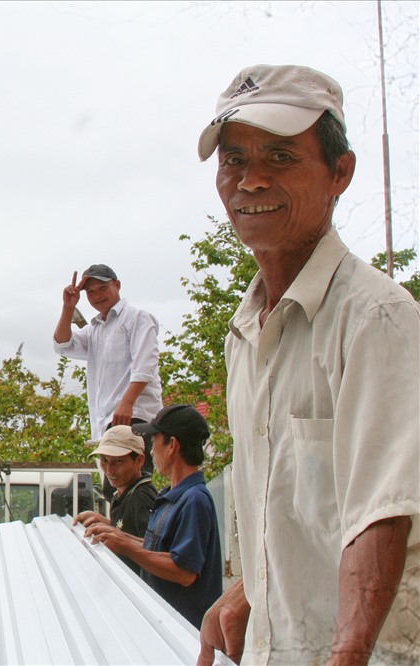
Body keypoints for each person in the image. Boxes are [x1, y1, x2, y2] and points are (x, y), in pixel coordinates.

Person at [195, 64, 419, 666]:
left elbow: (382, 511)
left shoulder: (376, 318)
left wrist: (347, 653)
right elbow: (294, 505)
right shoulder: (244, 332)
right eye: (234, 160)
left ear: (339, 174)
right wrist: (250, 591)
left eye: (281, 158)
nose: (251, 181)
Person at [85, 404, 222, 630]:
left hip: (183, 633)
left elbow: (184, 572)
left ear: (172, 445)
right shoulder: (169, 495)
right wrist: (115, 534)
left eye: (154, 442)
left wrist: (126, 546)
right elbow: (157, 549)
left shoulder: (194, 499)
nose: (150, 452)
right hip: (163, 626)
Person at [53, 264, 163, 483]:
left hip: (133, 416)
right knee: (114, 489)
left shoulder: (137, 317)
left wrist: (127, 403)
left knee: (133, 486)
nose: (97, 296)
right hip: (108, 421)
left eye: (102, 288)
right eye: (90, 292)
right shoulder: (95, 328)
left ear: (117, 285)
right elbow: (62, 344)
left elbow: (145, 364)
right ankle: (114, 519)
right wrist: (68, 307)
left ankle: (131, 519)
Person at [73, 425, 156, 575]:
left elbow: (153, 551)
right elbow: (129, 532)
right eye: (104, 460)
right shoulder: (123, 493)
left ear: (139, 460)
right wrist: (103, 523)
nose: (109, 470)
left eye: (118, 461)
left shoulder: (141, 497)